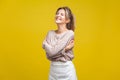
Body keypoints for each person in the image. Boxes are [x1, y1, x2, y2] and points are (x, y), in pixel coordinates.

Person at [42, 6, 77, 80]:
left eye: (62, 14)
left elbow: (52, 52)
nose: (58, 15)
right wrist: (66, 49)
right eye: (57, 13)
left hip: (67, 70)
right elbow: (49, 55)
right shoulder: (50, 33)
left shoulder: (70, 33)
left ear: (67, 20)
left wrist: (45, 45)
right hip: (53, 70)